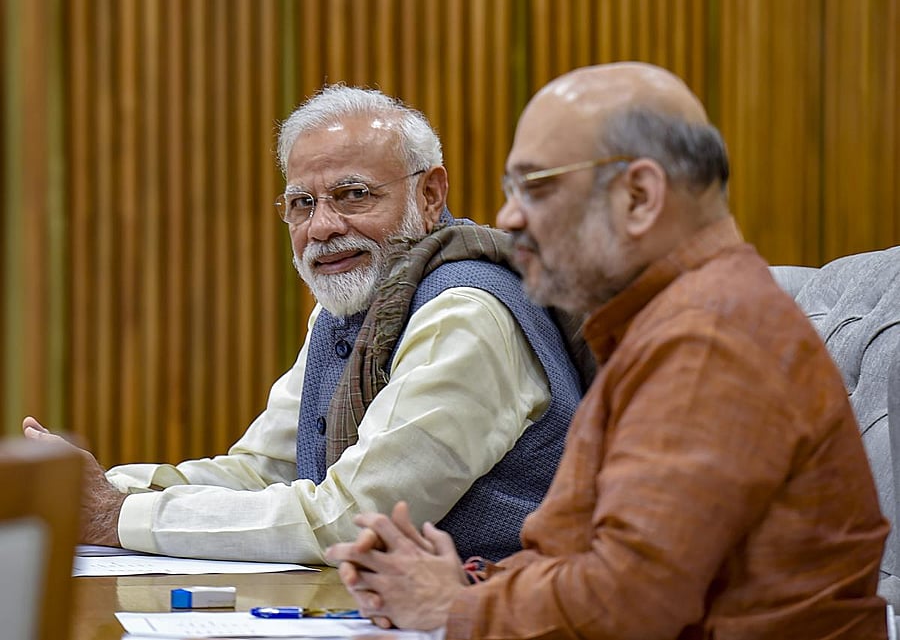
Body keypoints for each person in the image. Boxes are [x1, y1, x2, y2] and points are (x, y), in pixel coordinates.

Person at [326, 63, 891, 638]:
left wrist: (453, 609)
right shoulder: (665, 324)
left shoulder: (707, 338)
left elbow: (629, 604)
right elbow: (590, 565)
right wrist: (462, 583)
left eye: (537, 187)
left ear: (640, 197)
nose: (507, 218)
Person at [22, 86, 585, 564]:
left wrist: (114, 517)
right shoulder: (354, 307)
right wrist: (94, 492)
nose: (322, 227)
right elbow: (263, 470)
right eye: (302, 203)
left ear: (430, 193)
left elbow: (352, 520)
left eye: (354, 195)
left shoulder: (464, 312)